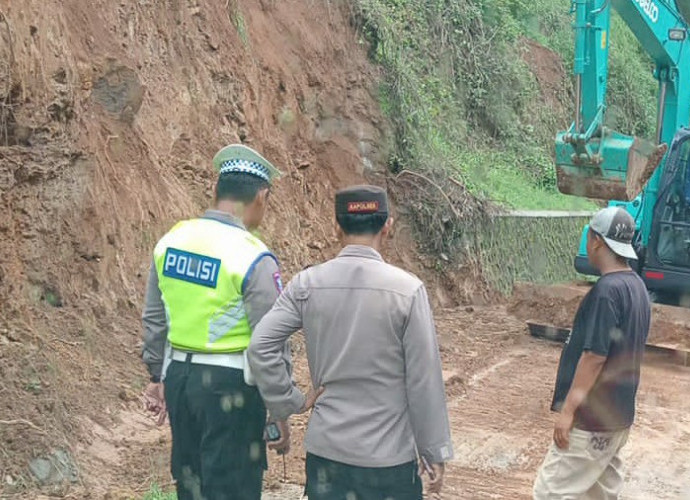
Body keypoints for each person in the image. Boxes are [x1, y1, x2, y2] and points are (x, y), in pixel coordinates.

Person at [248, 185, 454, 500]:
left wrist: (288, 400)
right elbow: (423, 379)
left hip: (327, 453)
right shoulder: (407, 291)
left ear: (336, 227)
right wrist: (433, 448)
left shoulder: (307, 284)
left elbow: (260, 345)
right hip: (389, 459)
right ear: (388, 226)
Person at [140, 144, 292, 500]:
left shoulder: (171, 241)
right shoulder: (253, 255)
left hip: (179, 381)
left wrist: (155, 377)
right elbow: (269, 340)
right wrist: (280, 405)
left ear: (215, 192)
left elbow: (154, 318)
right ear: (261, 195)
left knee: (191, 484)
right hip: (231, 389)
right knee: (232, 487)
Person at [533, 206, 651, 499]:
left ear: (596, 240)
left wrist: (568, 411)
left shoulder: (607, 291)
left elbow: (594, 356)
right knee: (600, 495)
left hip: (590, 421)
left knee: (550, 493)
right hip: (617, 418)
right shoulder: (637, 287)